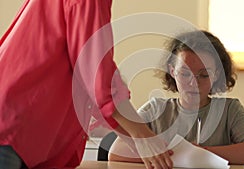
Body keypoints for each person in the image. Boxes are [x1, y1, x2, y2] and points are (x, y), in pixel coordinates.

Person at [0, 0, 173, 169]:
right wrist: (142, 137)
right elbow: (97, 75)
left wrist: (141, 140)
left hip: (21, 131)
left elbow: (89, 79)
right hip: (14, 126)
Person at [108, 30, 244, 165]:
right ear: (172, 71)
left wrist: (200, 153)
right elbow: (116, 152)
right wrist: (180, 154)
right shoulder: (156, 108)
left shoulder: (230, 110)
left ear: (217, 74)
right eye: (184, 74)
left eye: (204, 75)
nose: (193, 83)